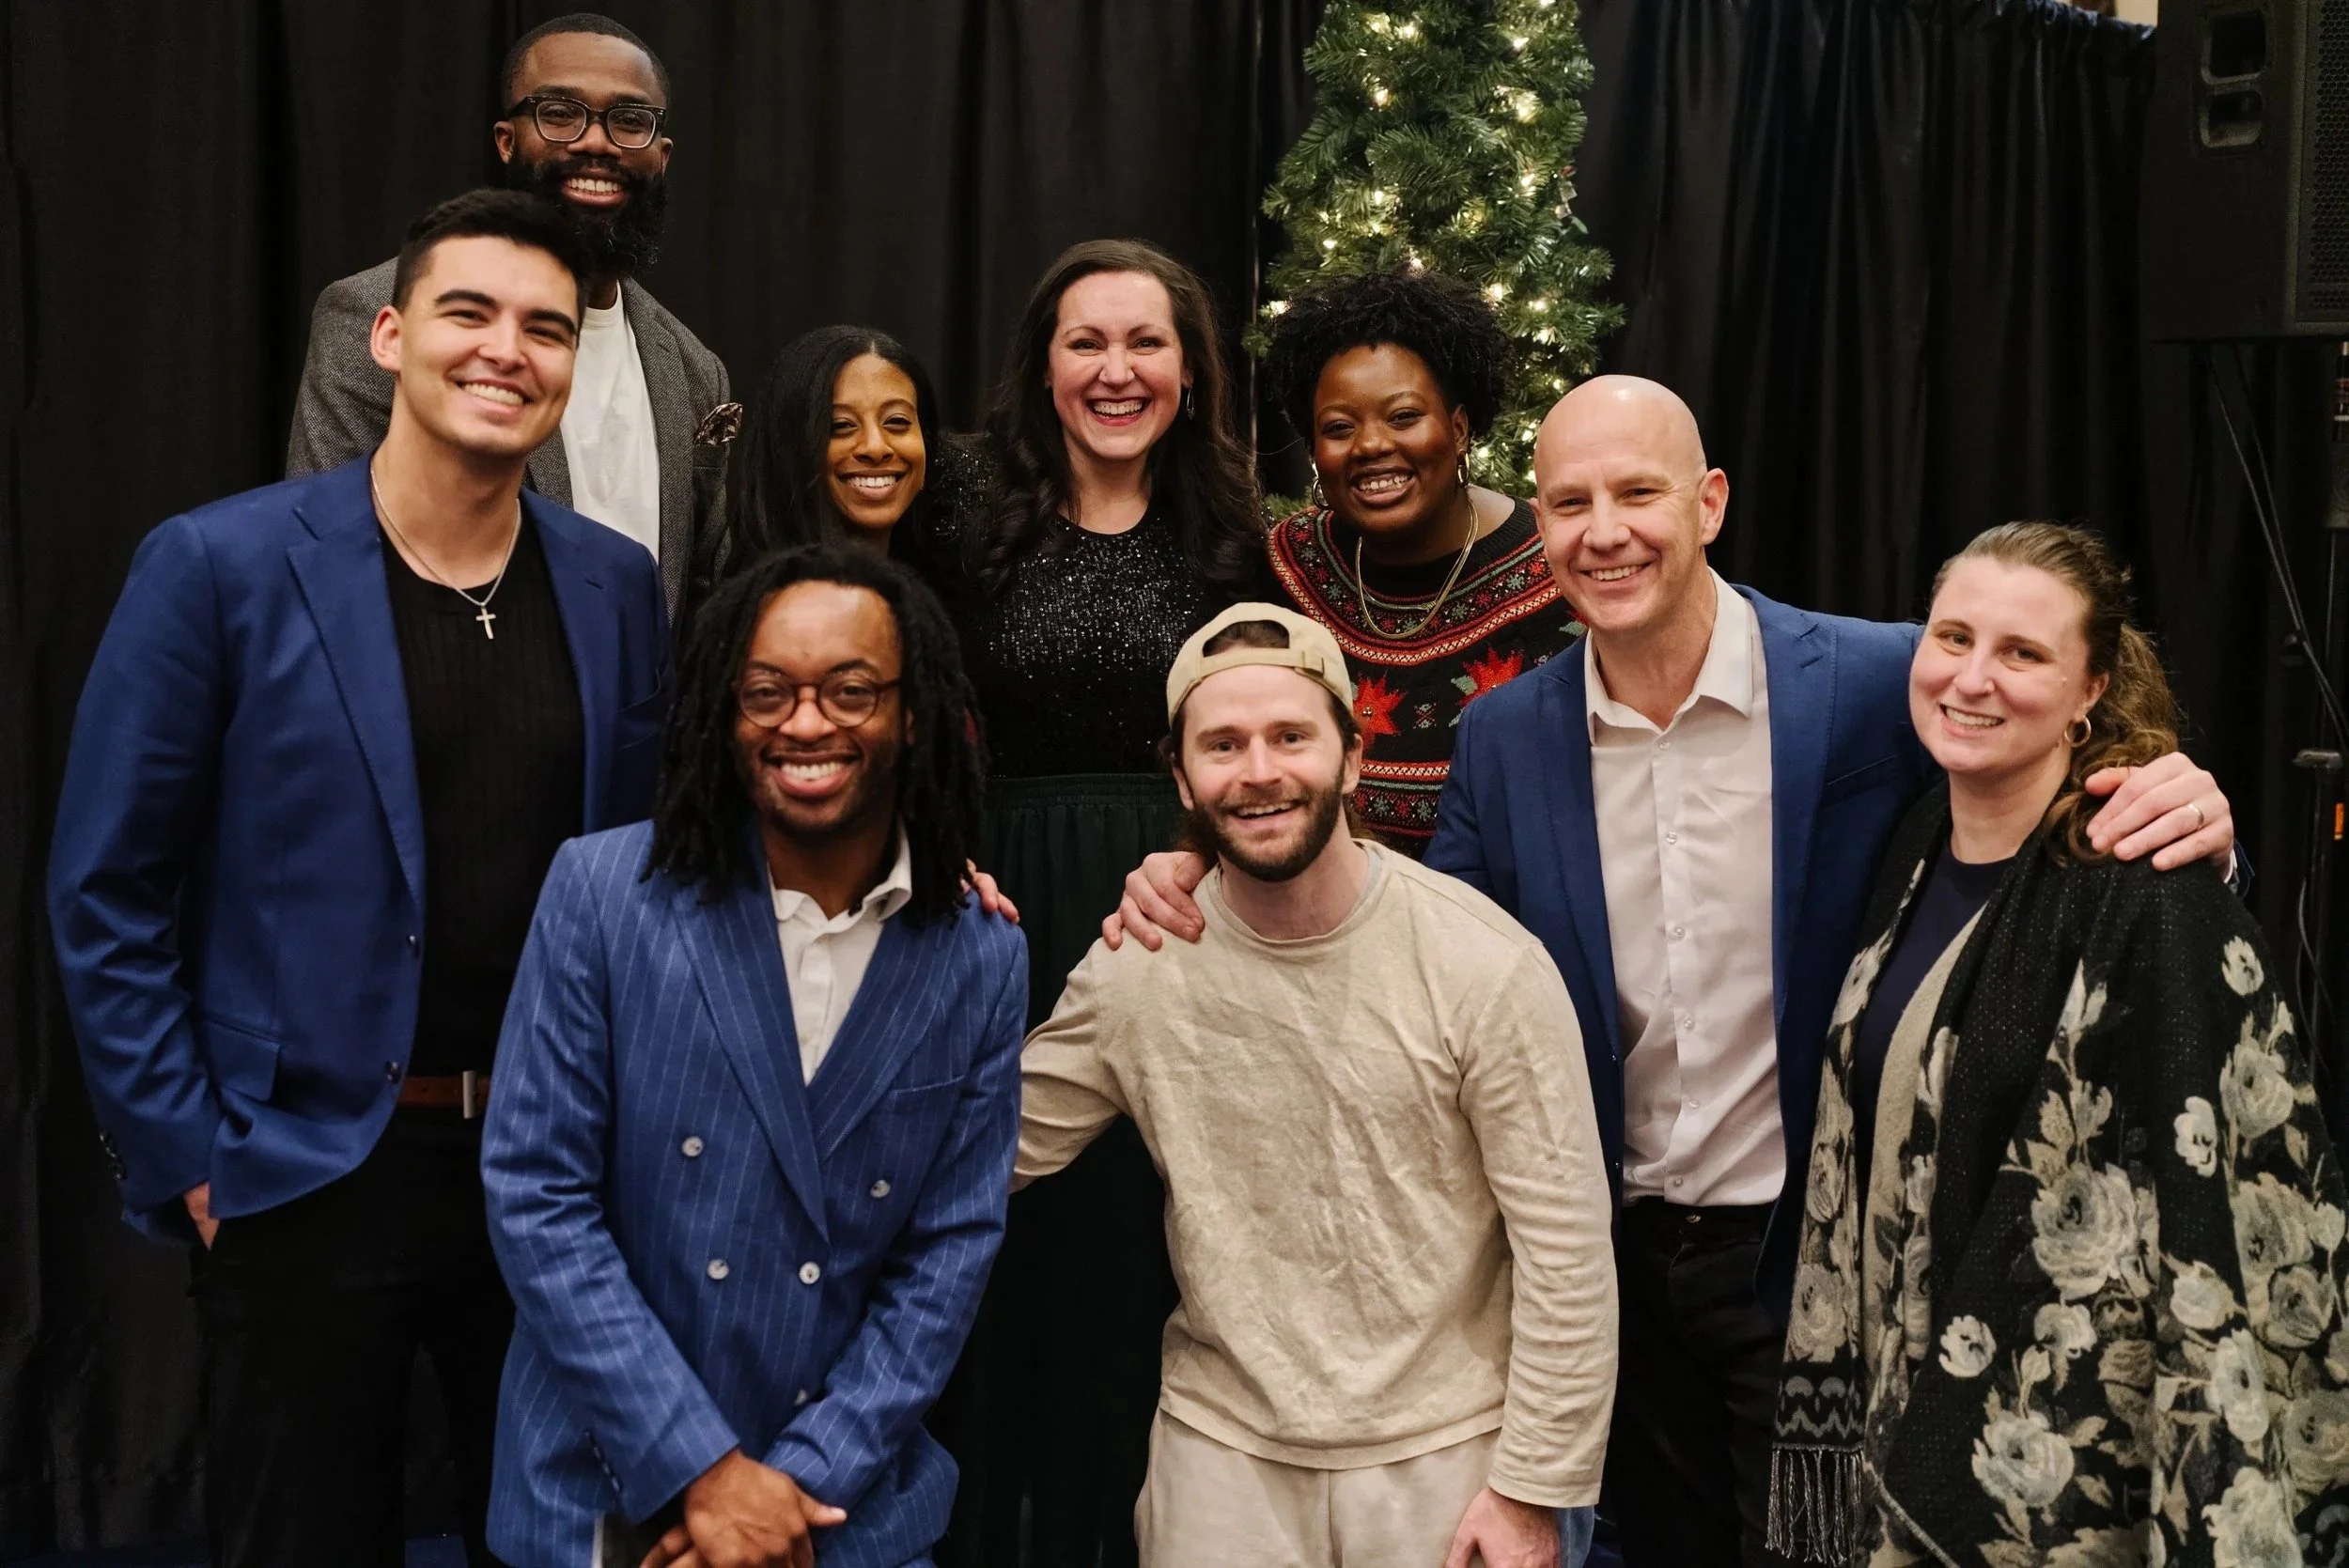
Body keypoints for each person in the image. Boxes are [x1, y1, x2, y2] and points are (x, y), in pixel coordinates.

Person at [1107, 376, 2240, 1567]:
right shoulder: (1505, 738)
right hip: (1599, 1274)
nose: (1603, 533)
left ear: (1707, 501)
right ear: (1534, 528)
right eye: (1567, 503)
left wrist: (2189, 811)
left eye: (1637, 493)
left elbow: (2046, 767)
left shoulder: (1872, 683)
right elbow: (1414, 948)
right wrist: (1213, 876)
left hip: (1804, 1265)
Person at [47, 189, 668, 1568]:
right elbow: (106, 889)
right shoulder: (217, 565)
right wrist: (193, 1158)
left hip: (549, 1179)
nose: (508, 349)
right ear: (388, 335)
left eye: (546, 329)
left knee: (560, 1546)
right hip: (302, 1175)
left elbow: (649, 871)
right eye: (470, 312)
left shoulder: (618, 586)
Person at [1769, 522, 2349, 1565]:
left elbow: (2201, 1203)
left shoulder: (2147, 893)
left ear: (2090, 689)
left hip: (2064, 1465)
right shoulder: (1908, 848)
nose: (1972, 678)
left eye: (2023, 653)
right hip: (1886, 1408)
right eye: (1952, 636)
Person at [1018, 603, 1615, 1568]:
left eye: (1290, 736)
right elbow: (979, 1149)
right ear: (1180, 777)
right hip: (1223, 1456)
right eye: (1223, 744)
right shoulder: (1145, 963)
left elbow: (1568, 1257)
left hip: (1444, 1450)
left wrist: (1529, 1491)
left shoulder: (1482, 963)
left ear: (1349, 754)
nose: (1258, 770)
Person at [480, 543, 1026, 1568]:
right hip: (611, 1496)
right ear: (723, 715)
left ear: (913, 714)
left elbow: (947, 1253)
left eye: (850, 690)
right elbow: (535, 1198)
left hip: (843, 1511)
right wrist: (705, 1473)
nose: (805, 723)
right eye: (765, 692)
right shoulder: (604, 897)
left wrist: (792, 1490)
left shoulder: (979, 954)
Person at [925, 238, 1264, 1568]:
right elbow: (903, 678)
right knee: (985, 1229)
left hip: (1174, 912)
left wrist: (1198, 847)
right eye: (1087, 343)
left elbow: (1268, 728)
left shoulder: (1238, 524)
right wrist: (929, 840)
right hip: (994, 901)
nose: (1117, 370)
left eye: (1147, 343)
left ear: (1190, 368)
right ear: (1043, 364)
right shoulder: (965, 503)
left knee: (1135, 1252)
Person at [288, 12, 732, 617]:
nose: (596, 142)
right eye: (560, 112)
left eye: (629, 121)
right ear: (506, 141)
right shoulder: (376, 311)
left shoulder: (694, 367)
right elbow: (327, 556)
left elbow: (704, 593)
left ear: (663, 154)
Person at [1257, 269, 1579, 853]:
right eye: (1338, 428)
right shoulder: (1287, 568)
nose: (1372, 445)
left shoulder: (1560, 570)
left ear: (1458, 429)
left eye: (1403, 416)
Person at [700, 324, 948, 578]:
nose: (875, 447)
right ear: (788, 451)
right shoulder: (775, 608)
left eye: (897, 421)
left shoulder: (945, 593)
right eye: (841, 426)